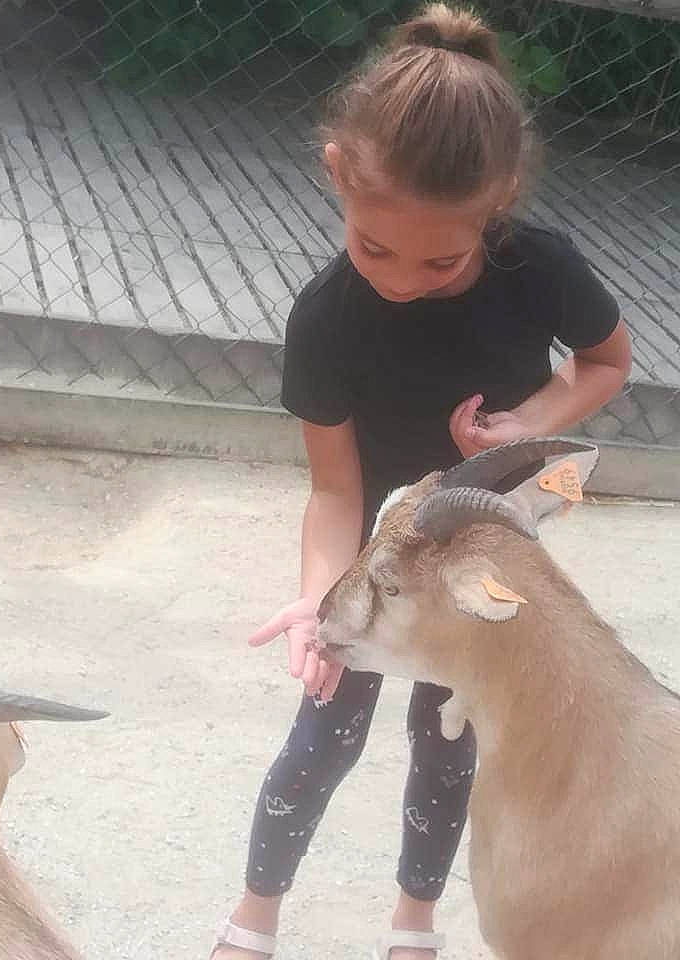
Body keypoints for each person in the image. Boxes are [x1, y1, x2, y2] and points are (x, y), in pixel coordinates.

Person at [210, 3, 632, 957]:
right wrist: (321, 600)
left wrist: (530, 423)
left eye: (442, 258)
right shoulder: (326, 318)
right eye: (375, 248)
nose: (402, 278)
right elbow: (334, 490)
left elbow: (606, 361)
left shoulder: (541, 267)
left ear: (499, 202)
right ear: (336, 176)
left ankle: (415, 924)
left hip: (483, 539)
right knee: (325, 724)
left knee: (449, 736)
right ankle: (254, 918)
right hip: (377, 554)